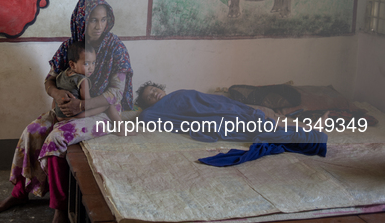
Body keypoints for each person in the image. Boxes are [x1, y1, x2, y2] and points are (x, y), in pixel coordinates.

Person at [0, 0, 133, 223]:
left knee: (57, 138)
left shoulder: (115, 47)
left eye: (103, 20)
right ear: (81, 21)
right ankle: (20, 193)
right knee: (33, 131)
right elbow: (49, 80)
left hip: (103, 113)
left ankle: (60, 206)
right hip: (68, 107)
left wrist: (82, 105)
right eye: (92, 20)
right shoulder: (70, 46)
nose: (99, 26)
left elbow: (115, 93)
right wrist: (57, 94)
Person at [135, 81, 328, 166]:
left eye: (153, 89)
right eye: (150, 97)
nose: (154, 93)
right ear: (148, 105)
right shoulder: (158, 111)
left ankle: (309, 129)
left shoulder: (178, 94)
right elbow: (144, 118)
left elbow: (208, 99)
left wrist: (230, 106)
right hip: (219, 119)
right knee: (264, 126)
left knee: (265, 119)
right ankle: (311, 135)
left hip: (226, 108)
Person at [54, 41, 123, 127]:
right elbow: (87, 102)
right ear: (72, 64)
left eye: (93, 63)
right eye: (86, 63)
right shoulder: (82, 80)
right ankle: (122, 129)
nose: (91, 68)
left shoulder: (61, 75)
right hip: (74, 115)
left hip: (59, 116)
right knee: (108, 104)